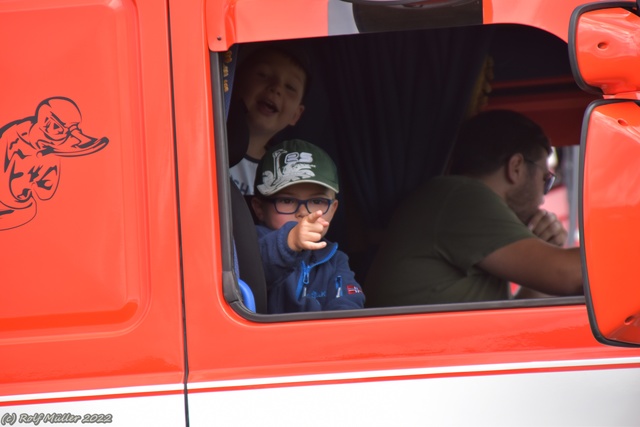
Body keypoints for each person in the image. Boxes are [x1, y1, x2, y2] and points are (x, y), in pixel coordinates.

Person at [365, 109, 583, 307]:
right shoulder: (463, 197)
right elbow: (570, 275)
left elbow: (518, 315)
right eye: (546, 180)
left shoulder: (457, 201)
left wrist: (543, 251)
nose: (543, 198)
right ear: (515, 167)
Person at [251, 139, 365, 313]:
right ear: (259, 208)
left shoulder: (335, 259)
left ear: (332, 210)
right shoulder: (250, 244)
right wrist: (289, 242)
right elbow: (253, 272)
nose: (304, 212)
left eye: (317, 201)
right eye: (287, 200)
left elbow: (348, 306)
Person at [229, 44, 310, 196]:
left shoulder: (282, 176)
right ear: (235, 79)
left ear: (296, 115)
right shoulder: (205, 146)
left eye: (290, 87)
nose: (276, 88)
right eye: (263, 75)